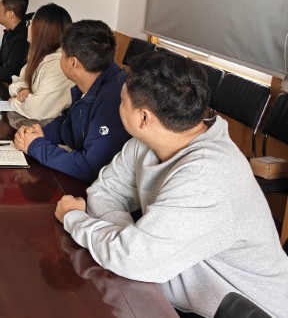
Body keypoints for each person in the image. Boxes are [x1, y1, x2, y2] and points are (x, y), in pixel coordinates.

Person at [54, 52, 288, 317]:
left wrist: (74, 218)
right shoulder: (148, 142)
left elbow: (132, 259)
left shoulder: (205, 177)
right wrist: (127, 241)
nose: (117, 106)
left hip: (247, 311)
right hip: (168, 291)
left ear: (144, 118)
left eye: (121, 101)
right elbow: (104, 191)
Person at [13, 20, 130, 183]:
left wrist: (36, 146)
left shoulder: (115, 97)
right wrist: (41, 134)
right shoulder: (92, 83)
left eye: (62, 54)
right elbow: (67, 123)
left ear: (73, 63)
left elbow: (90, 168)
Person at [7, 3, 74, 126]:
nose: (28, 26)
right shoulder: (40, 57)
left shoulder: (58, 66)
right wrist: (22, 89)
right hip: (35, 126)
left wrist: (13, 101)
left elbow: (35, 110)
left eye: (30, 23)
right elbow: (16, 81)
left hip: (50, 131)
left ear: (42, 31)